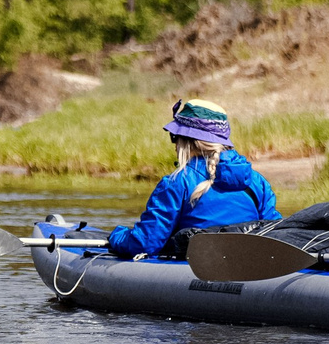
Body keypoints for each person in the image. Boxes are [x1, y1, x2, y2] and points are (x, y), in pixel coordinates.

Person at [105, 98, 281, 259]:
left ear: (186, 140)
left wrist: (117, 235)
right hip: (248, 266)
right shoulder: (258, 182)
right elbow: (275, 234)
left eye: (174, 137)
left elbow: (145, 244)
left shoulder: (176, 182)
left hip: (195, 271)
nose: (174, 145)